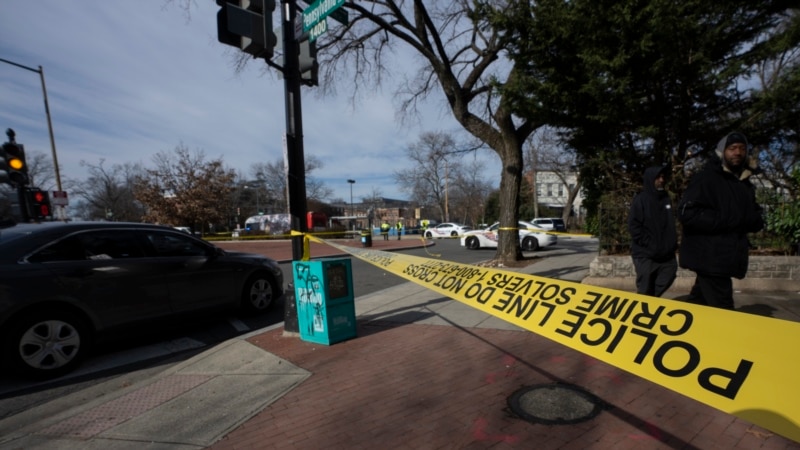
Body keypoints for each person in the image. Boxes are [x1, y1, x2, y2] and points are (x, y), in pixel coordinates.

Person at [678, 132, 764, 309]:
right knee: (723, 310)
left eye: (742, 148)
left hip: (725, 257)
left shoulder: (744, 184)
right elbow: (688, 213)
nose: (738, 153)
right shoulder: (706, 179)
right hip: (710, 257)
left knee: (698, 304)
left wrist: (754, 220)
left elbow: (752, 215)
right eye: (732, 148)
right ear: (721, 152)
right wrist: (730, 220)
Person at [628, 166, 678, 297]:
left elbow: (669, 224)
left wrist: (671, 244)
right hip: (646, 254)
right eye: (658, 177)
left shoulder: (666, 198)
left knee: (669, 274)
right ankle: (643, 308)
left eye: (663, 177)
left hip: (666, 254)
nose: (661, 180)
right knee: (644, 288)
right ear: (651, 179)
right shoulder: (641, 200)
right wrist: (649, 243)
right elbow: (634, 226)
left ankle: (651, 300)